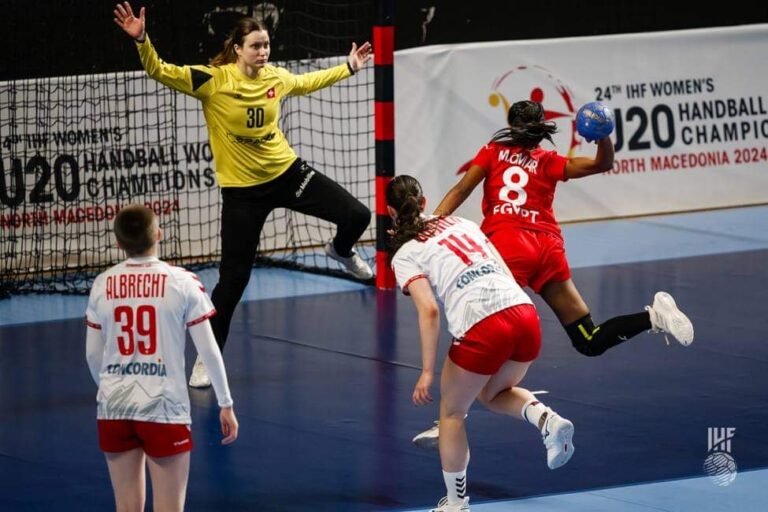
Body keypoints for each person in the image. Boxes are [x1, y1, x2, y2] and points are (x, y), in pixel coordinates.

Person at [113, 2, 374, 388]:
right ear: (237, 49)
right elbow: (160, 70)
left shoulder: (276, 78)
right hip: (243, 195)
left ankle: (339, 250)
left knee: (357, 215)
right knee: (232, 282)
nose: (263, 51)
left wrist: (348, 67)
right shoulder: (213, 81)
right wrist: (142, 40)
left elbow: (308, 82)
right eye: (255, 46)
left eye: (266, 45)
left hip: (287, 174)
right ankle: (207, 359)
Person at [412, 99, 694, 449]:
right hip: (546, 250)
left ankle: (449, 419)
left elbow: (462, 189)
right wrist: (603, 135)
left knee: (479, 327)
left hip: (507, 247)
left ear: (510, 125)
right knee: (588, 339)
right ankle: (653, 317)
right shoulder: (549, 160)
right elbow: (603, 163)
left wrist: (432, 224)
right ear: (540, 127)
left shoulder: (492, 152)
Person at [388, 175, 575, 512]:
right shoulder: (463, 223)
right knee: (492, 393)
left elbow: (429, 310)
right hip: (524, 315)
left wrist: (427, 371)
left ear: (390, 212)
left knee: (451, 412)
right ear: (425, 202)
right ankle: (547, 420)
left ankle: (456, 503)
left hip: (482, 326)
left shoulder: (405, 253)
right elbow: (503, 271)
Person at [85, 204, 239, 512]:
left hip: (114, 409)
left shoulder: (102, 283)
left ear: (118, 243)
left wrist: (111, 389)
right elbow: (208, 349)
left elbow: (92, 353)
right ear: (159, 234)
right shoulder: (182, 282)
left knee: (126, 507)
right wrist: (225, 403)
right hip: (164, 409)